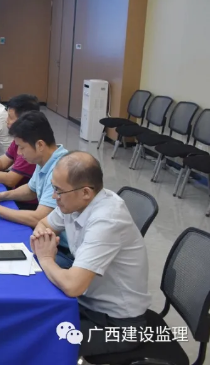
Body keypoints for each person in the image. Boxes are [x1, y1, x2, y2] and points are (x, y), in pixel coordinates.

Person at [30, 152, 150, 357]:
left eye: (58, 191)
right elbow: (43, 224)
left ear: (85, 192)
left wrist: (46, 257)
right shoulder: (74, 202)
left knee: (41, 341)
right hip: (87, 303)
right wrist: (43, 240)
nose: (54, 196)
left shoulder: (107, 220)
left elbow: (73, 286)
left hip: (118, 325)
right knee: (33, 315)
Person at [0, 111, 72, 268]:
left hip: (63, 249)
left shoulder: (60, 169)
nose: (19, 153)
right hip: (47, 237)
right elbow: (31, 189)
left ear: (40, 145)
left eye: (21, 147)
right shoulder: (45, 159)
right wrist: (1, 196)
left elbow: (38, 218)